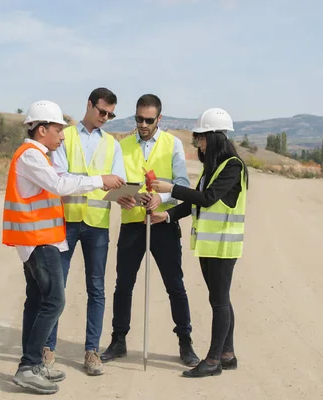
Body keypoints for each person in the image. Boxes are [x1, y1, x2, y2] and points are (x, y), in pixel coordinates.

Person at [2, 100, 124, 394]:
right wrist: (100, 180)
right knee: (54, 301)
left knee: (36, 300)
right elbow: (59, 185)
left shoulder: (38, 155)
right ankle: (29, 365)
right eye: (58, 129)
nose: (61, 135)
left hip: (39, 240)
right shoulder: (31, 156)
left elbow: (58, 182)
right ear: (42, 129)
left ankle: (32, 364)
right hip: (37, 241)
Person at [100, 93, 200, 367]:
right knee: (124, 285)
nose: (142, 124)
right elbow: (117, 183)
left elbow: (180, 183)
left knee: (175, 286)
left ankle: (185, 342)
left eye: (148, 120)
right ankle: (118, 340)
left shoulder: (173, 144)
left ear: (159, 118)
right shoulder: (123, 145)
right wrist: (124, 195)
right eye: (138, 119)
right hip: (133, 224)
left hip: (162, 224)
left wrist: (162, 199)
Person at [149, 107, 249, 378]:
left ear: (215, 137)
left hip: (223, 247)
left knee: (219, 302)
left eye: (202, 138)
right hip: (210, 246)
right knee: (220, 300)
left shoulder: (233, 167)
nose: (199, 143)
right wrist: (167, 216)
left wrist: (170, 188)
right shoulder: (213, 169)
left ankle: (214, 360)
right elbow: (196, 201)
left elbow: (207, 199)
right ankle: (227, 354)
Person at [45, 88, 126, 376]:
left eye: (110, 114)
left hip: (97, 224)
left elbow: (117, 182)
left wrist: (124, 193)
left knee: (97, 289)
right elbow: (60, 177)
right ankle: (47, 347)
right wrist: (99, 181)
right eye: (102, 111)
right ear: (89, 105)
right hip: (66, 220)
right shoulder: (65, 136)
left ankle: (92, 351)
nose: (105, 118)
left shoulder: (112, 145)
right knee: (57, 285)